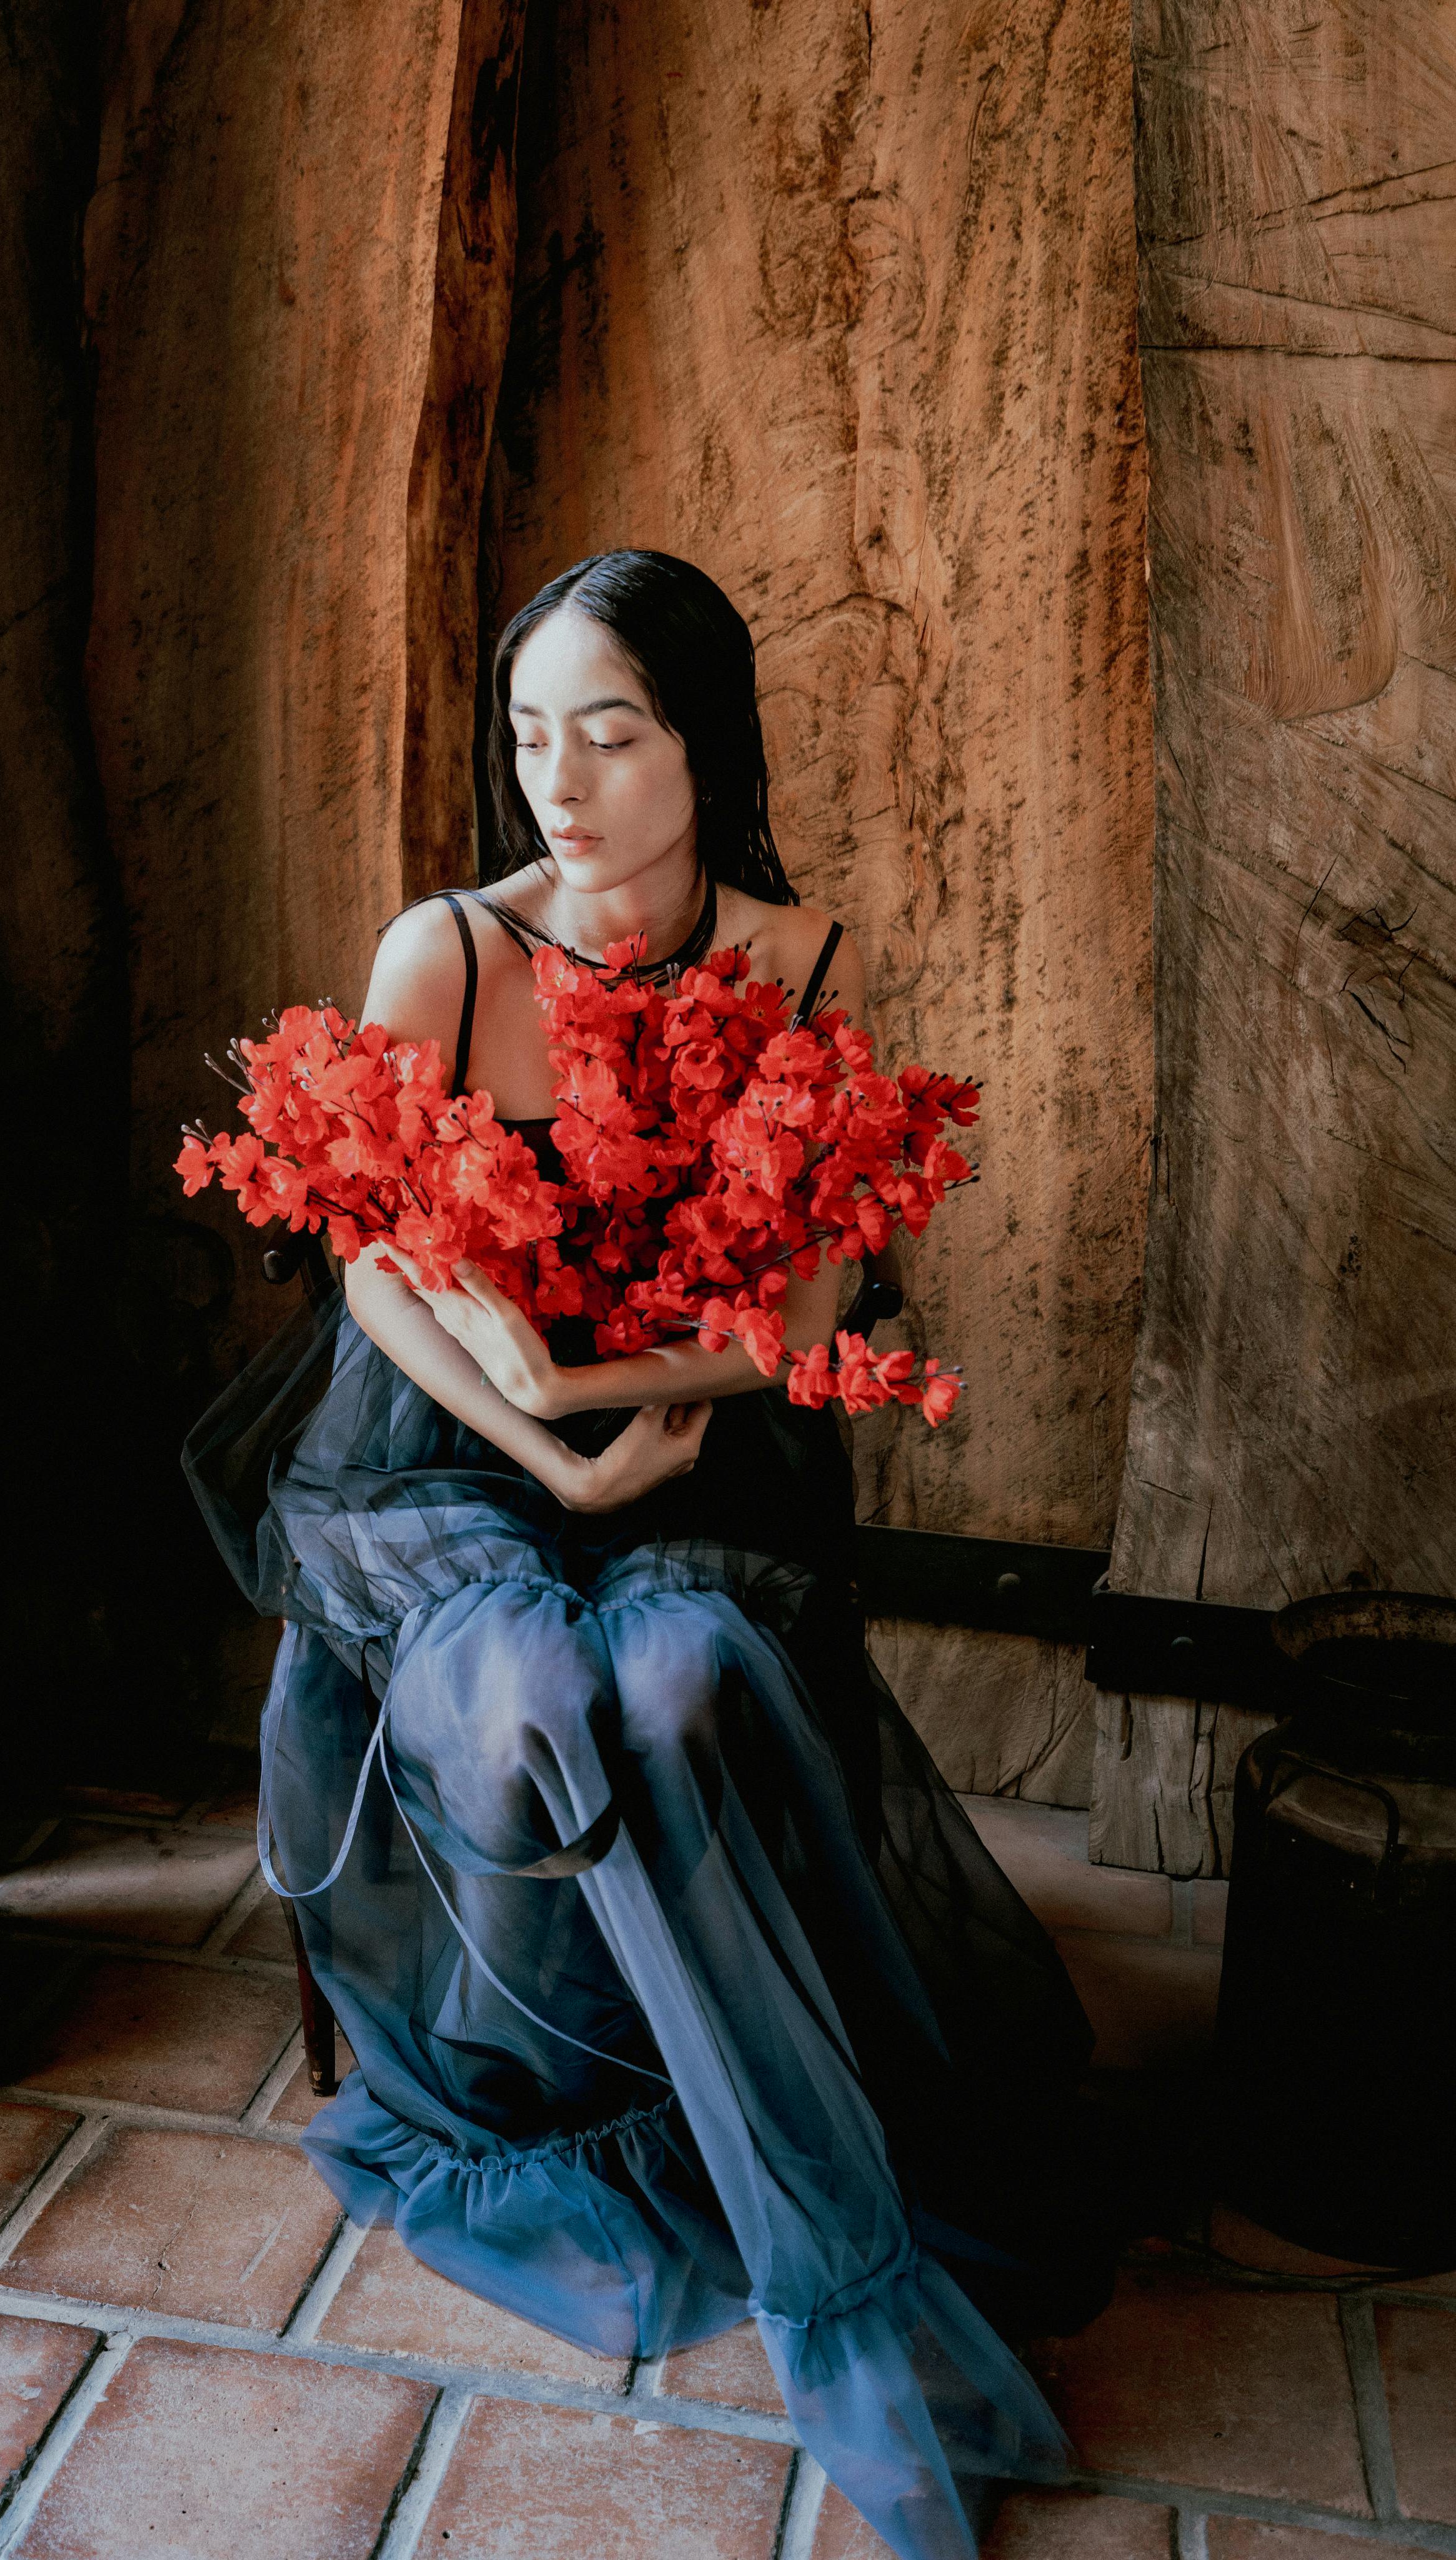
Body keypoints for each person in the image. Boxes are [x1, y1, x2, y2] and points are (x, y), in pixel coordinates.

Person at [186, 551, 1112, 2560]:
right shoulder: (440, 948)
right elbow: (375, 1276)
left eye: (611, 733)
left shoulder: (788, 959)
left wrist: (621, 1409)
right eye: (532, 736)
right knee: (518, 1692)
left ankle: (781, 2166)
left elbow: (792, 1328)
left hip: (703, 1469)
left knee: (678, 1686)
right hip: (446, 1459)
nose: (564, 782)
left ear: (707, 740)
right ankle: (561, 2104)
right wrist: (547, 1441)